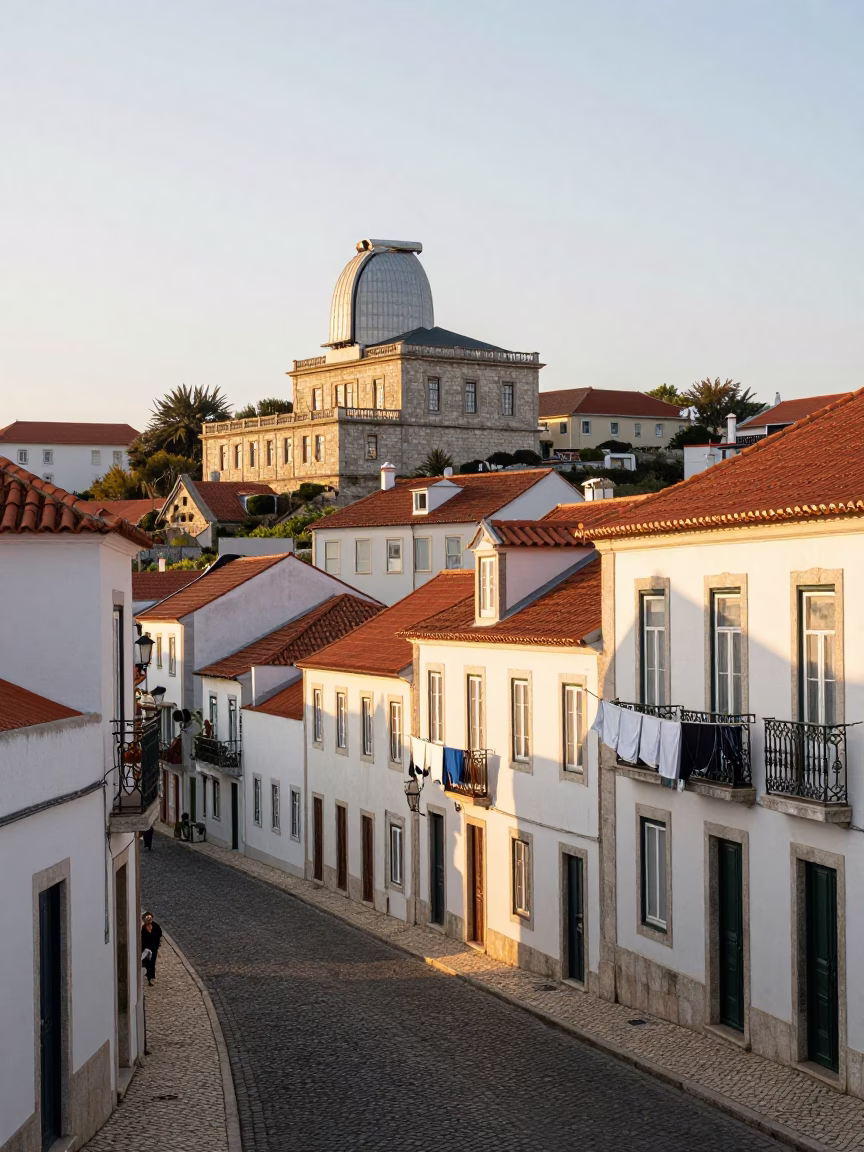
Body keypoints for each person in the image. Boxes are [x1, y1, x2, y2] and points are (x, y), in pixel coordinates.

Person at [141, 911, 163, 984]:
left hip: (154, 947)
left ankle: (151, 977)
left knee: (152, 962)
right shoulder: (143, 929)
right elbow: (142, 939)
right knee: (148, 962)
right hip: (146, 949)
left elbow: (160, 934)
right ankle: (149, 975)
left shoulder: (156, 926)